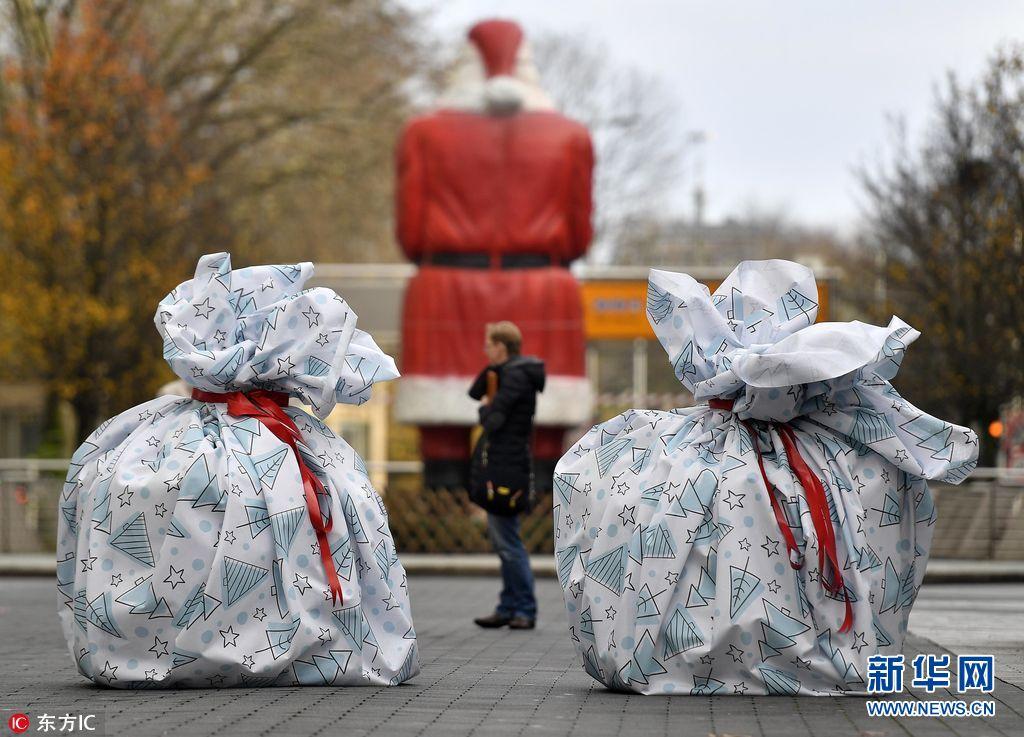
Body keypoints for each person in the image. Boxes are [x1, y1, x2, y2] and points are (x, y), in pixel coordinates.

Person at [468, 321, 545, 630]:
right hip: (502, 463)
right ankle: (509, 606)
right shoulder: (506, 372)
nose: (485, 348)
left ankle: (523, 608)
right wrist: (492, 370)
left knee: (508, 542)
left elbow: (492, 418)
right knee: (504, 541)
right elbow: (475, 393)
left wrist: (488, 409)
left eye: (489, 344)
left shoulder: (517, 377)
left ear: (501, 346)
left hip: (508, 467)